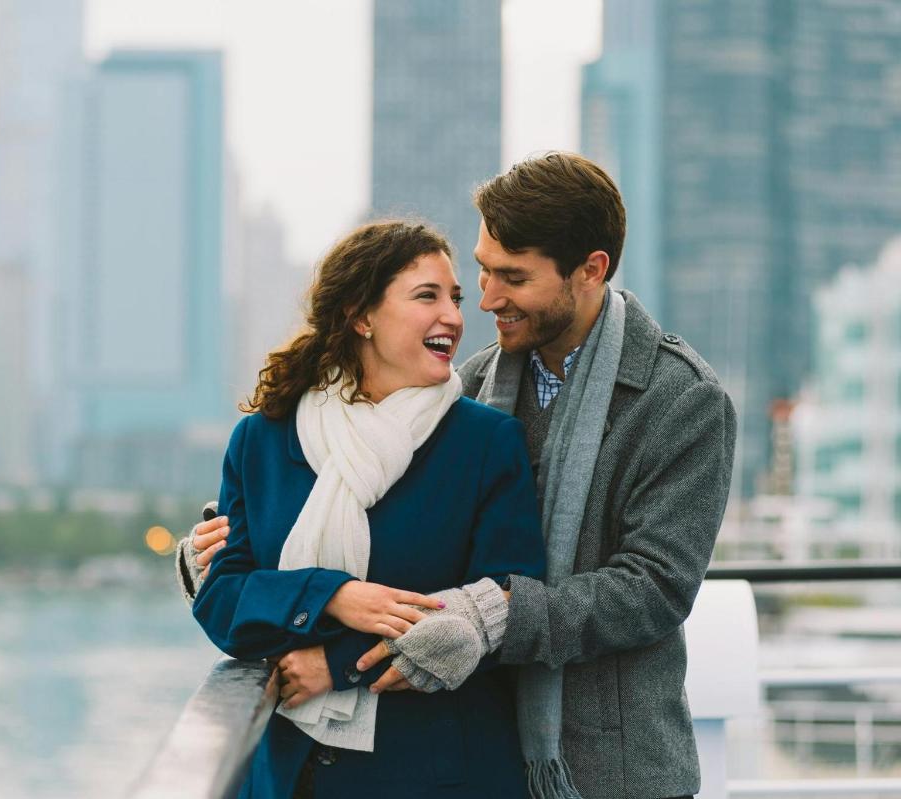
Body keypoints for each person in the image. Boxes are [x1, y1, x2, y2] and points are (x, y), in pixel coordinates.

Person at [183, 153, 737, 799]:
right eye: (482, 271)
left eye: (513, 277)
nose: (485, 299)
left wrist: (486, 615)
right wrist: (228, 553)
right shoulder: (468, 383)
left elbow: (653, 588)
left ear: (590, 270)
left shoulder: (680, 398)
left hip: (604, 763)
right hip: (473, 737)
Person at [190, 220, 547, 798]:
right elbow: (222, 598)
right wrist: (332, 596)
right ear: (361, 316)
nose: (454, 317)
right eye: (427, 296)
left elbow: (507, 603)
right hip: (291, 775)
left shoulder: (485, 442)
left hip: (436, 774)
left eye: (455, 299)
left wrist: (338, 662)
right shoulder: (264, 438)